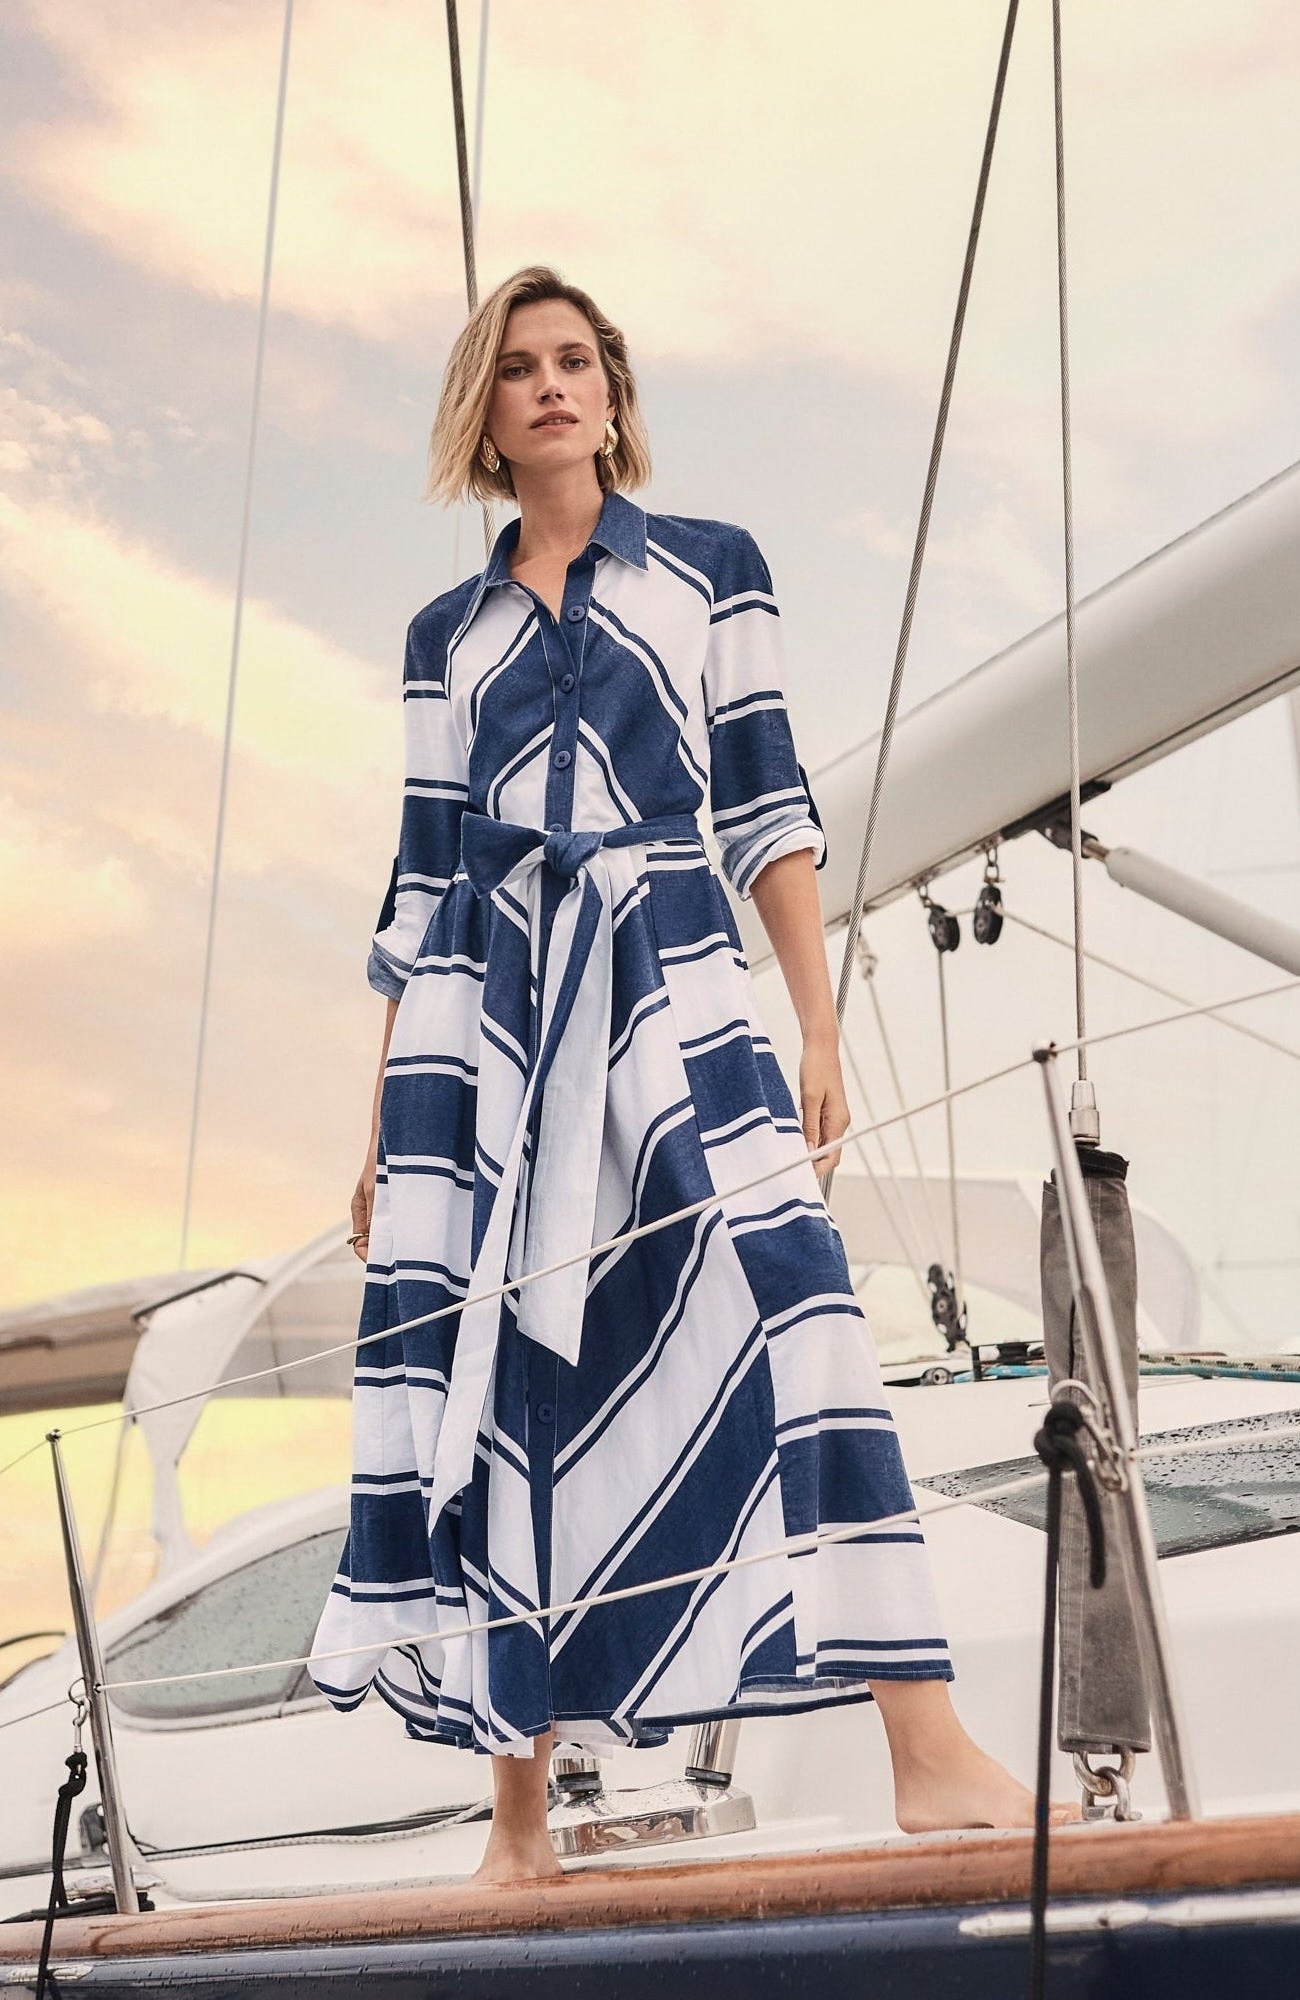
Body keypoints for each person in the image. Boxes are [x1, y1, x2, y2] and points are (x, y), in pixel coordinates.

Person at [308, 264, 1074, 1883]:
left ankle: (925, 1750)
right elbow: (418, 872)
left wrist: (814, 1024)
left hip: (673, 970)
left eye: (575, 361)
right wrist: (386, 1124)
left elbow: (767, 805)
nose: (550, 388)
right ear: (484, 411)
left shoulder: (712, 572)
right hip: (487, 1014)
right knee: (500, 1378)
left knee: (797, 1310)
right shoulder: (443, 632)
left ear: (614, 392)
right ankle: (516, 1828)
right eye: (517, 369)